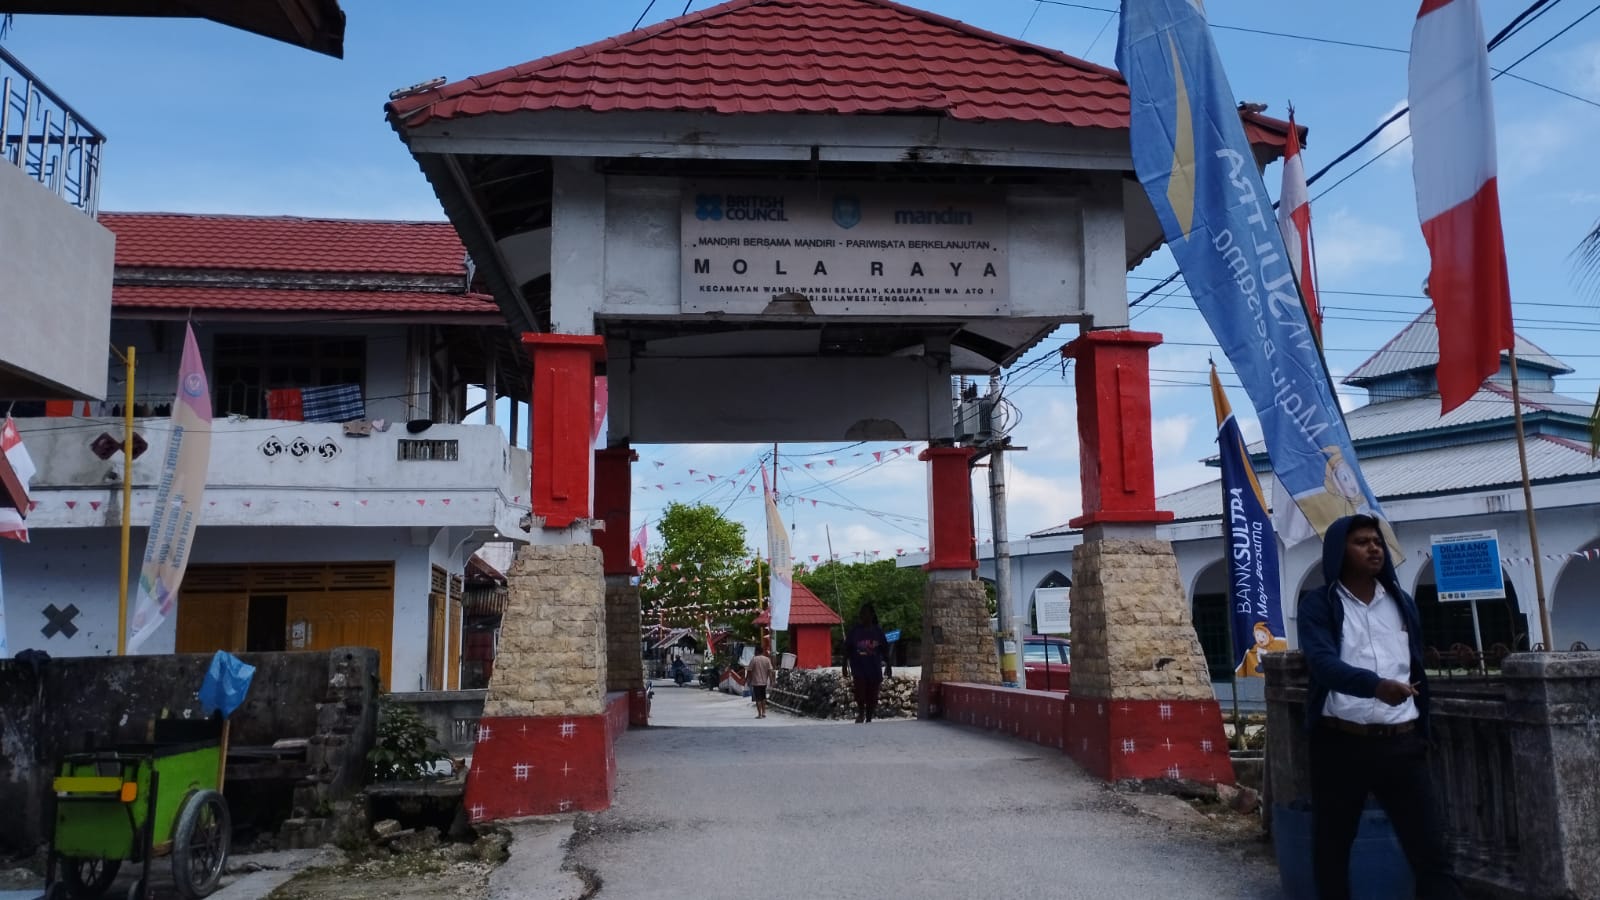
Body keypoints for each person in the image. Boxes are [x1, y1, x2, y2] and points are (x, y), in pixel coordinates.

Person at [1300, 514, 1463, 900]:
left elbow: (1415, 662)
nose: (1374, 548)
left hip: (1402, 744)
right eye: (1362, 542)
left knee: (1431, 851)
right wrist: (1374, 687)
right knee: (1332, 849)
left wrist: (1422, 725)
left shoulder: (1402, 603)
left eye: (1377, 541)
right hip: (1341, 744)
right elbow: (1323, 664)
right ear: (1340, 551)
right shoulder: (1319, 604)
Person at [842, 603, 890, 723]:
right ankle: (861, 713)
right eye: (861, 614)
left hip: (874, 668)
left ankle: (869, 716)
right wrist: (844, 665)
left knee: (872, 696)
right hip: (859, 668)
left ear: (872, 615)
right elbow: (847, 648)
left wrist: (889, 666)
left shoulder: (878, 632)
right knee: (860, 693)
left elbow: (885, 650)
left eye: (865, 613)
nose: (862, 616)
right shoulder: (855, 631)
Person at [747, 645, 775, 718]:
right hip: (764, 682)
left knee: (758, 698)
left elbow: (749, 671)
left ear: (756, 651)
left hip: (756, 682)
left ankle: (759, 714)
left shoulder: (754, 659)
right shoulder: (767, 659)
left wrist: (748, 680)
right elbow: (770, 671)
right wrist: (771, 681)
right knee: (763, 697)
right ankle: (764, 712)